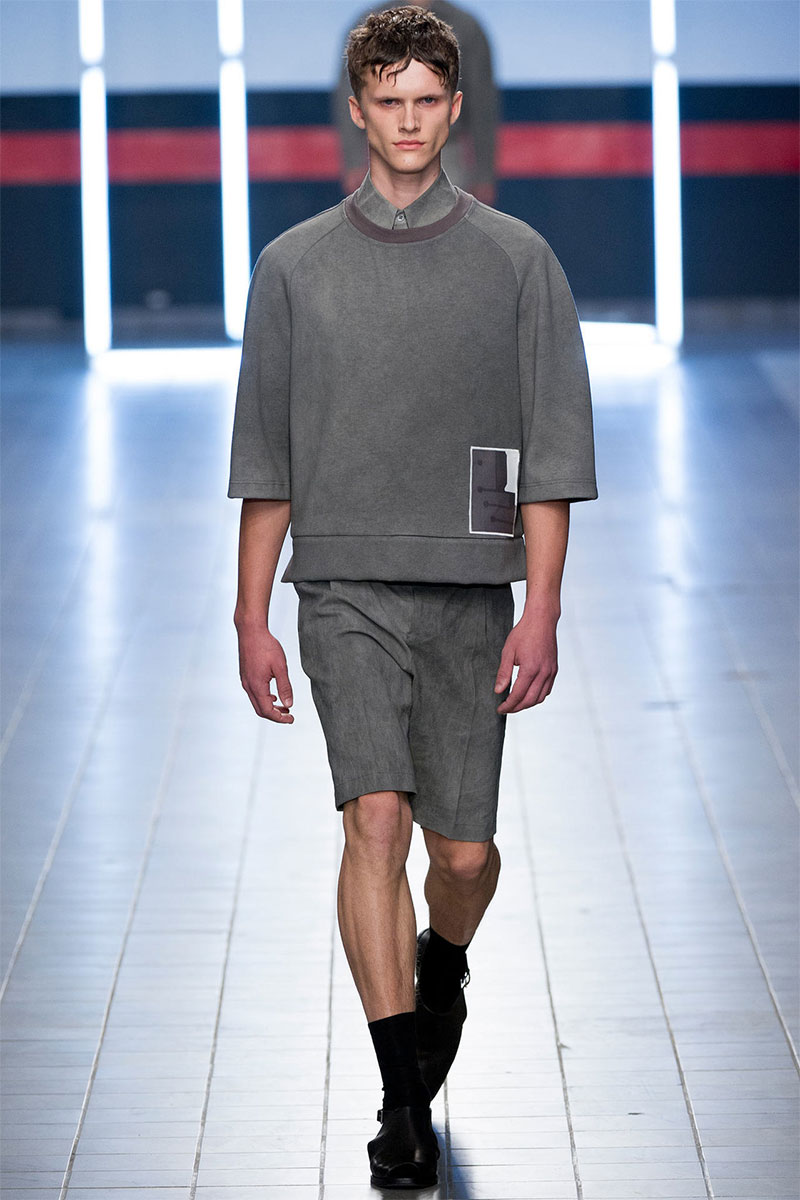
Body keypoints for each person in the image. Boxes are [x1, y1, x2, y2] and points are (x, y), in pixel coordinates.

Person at [228, 6, 597, 1190]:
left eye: (424, 100)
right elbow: (267, 461)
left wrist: (540, 610)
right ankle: (401, 1103)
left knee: (465, 856)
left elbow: (550, 459)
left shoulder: (515, 262)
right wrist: (250, 616)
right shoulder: (293, 268)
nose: (405, 120)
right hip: (341, 585)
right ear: (355, 109)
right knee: (373, 821)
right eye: (385, 100)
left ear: (453, 107)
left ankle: (443, 962)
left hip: (470, 592)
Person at [333, 0, 499, 204]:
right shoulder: (367, 27)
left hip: (447, 153)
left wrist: (484, 173)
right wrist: (353, 161)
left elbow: (482, 105)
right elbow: (349, 94)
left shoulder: (466, 26)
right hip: (380, 155)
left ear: (454, 107)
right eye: (389, 101)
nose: (409, 123)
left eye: (428, 100)